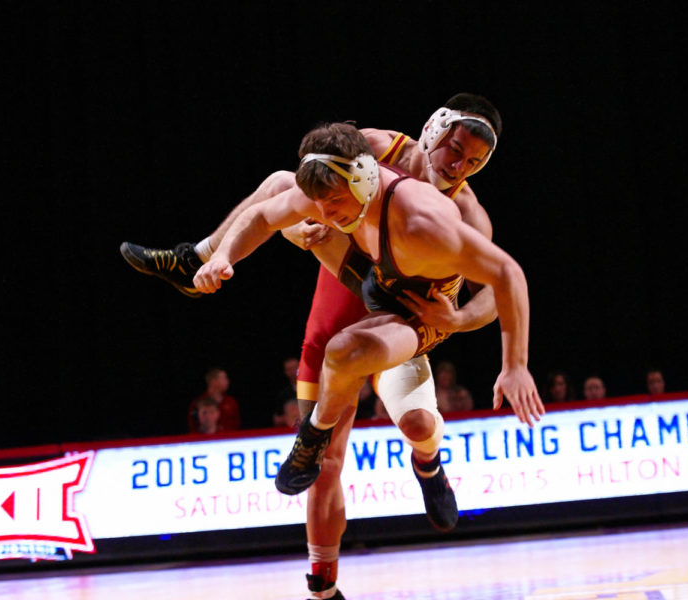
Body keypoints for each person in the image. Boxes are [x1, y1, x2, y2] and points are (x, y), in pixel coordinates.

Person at [122, 94, 510, 599]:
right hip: (348, 294)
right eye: (454, 151)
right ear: (434, 130)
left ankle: (429, 462)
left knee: (417, 423)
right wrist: (305, 223)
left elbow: (504, 287)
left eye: (473, 164)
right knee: (286, 184)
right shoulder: (373, 147)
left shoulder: (459, 211)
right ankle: (322, 587)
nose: (457, 168)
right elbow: (293, 199)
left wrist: (456, 319)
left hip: (400, 320)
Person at [193, 121, 542, 523]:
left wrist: (511, 363)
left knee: (368, 374)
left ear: (363, 180)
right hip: (377, 281)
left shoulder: (425, 222)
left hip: (417, 315)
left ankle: (420, 461)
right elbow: (262, 215)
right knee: (284, 193)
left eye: (472, 161)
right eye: (455, 150)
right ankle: (315, 434)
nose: (326, 213)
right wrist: (224, 258)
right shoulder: (342, 182)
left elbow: (508, 274)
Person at [188, 367, 241, 433]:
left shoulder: (231, 402)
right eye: (224, 378)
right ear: (214, 381)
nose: (227, 381)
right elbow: (193, 426)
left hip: (229, 440)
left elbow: (237, 424)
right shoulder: (197, 403)